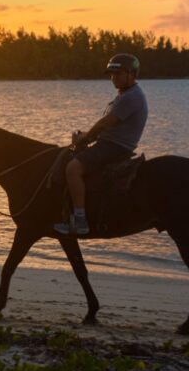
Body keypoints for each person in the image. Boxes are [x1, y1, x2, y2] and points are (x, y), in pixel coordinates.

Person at [53, 53, 148, 235]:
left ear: (131, 74)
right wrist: (88, 137)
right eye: (112, 75)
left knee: (73, 168)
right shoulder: (126, 95)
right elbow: (108, 125)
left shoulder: (131, 97)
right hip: (110, 142)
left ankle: (80, 220)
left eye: (118, 74)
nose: (113, 78)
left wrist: (86, 136)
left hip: (114, 147)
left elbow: (106, 122)